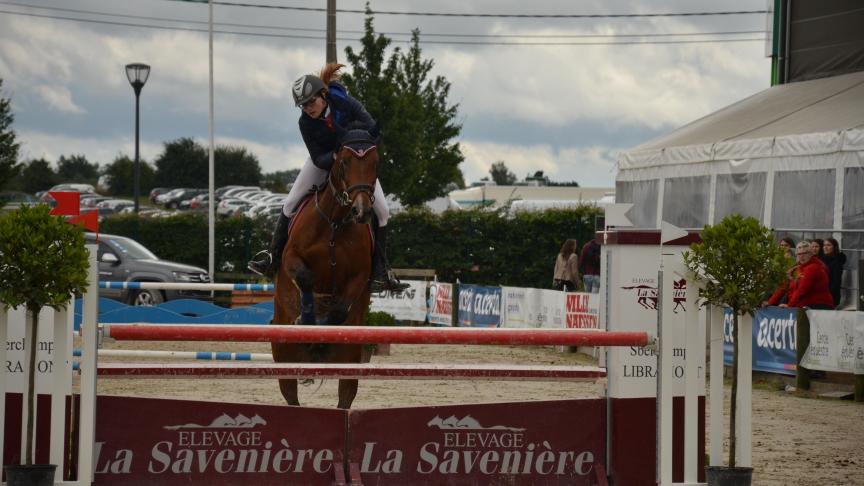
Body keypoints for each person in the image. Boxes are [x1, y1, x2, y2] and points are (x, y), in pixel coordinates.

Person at [248, 63, 407, 292]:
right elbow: (316, 156)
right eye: (302, 105)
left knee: (383, 211)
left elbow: (374, 131)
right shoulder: (305, 122)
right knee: (290, 203)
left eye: (311, 102)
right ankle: (272, 258)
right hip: (324, 162)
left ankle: (380, 271)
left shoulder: (346, 104)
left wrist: (357, 148)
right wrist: (333, 156)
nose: (308, 108)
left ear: (323, 95)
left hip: (354, 162)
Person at [777, 242, 834, 309]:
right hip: (804, 305)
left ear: (811, 254)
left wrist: (790, 306)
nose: (801, 256)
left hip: (818, 306)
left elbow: (802, 290)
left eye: (805, 253)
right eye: (799, 254)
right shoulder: (796, 268)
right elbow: (783, 288)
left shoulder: (813, 267)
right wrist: (769, 302)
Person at [821, 237, 846, 308]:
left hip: (830, 297)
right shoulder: (822, 260)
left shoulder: (837, 263)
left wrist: (827, 295)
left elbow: (836, 282)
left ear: (834, 247)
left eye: (828, 245)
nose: (825, 247)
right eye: (824, 245)